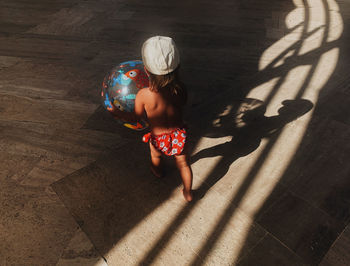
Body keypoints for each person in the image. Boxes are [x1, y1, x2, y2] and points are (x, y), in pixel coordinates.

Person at [107, 36, 193, 202]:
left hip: (158, 138)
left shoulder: (144, 95)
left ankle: (158, 171)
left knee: (156, 156)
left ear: (145, 70)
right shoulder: (180, 89)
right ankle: (188, 192)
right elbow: (182, 104)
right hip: (179, 135)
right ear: (178, 66)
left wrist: (116, 113)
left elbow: (136, 117)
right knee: (183, 164)